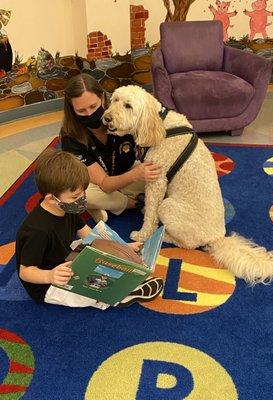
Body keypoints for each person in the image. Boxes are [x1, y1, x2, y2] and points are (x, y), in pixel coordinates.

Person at [15, 149, 163, 309]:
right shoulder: (37, 231)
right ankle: (122, 294)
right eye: (74, 197)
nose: (81, 200)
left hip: (64, 256)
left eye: (83, 193)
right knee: (88, 289)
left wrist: (122, 248)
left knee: (96, 247)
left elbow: (88, 233)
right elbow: (26, 271)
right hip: (47, 284)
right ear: (51, 199)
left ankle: (119, 278)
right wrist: (49, 276)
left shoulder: (66, 208)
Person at [60, 73, 161, 222]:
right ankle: (132, 203)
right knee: (74, 195)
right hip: (95, 184)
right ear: (71, 108)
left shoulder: (121, 114)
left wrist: (137, 173)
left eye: (93, 106)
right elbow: (104, 184)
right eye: (81, 110)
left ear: (102, 97)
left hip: (126, 172)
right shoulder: (70, 137)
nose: (89, 114)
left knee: (159, 174)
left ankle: (103, 205)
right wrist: (135, 176)